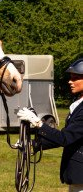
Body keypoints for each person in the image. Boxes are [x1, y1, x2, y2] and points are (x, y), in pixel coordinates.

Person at [17, 58, 83, 192]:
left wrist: (38, 123)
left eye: (75, 78)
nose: (70, 81)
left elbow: (65, 138)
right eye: (70, 77)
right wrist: (33, 144)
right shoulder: (77, 105)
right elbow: (65, 136)